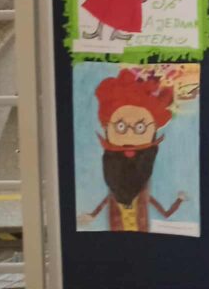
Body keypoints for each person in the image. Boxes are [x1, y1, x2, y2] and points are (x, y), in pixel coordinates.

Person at [78, 69, 186, 232]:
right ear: (108, 128)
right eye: (121, 126)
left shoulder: (140, 184)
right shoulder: (116, 181)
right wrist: (92, 215)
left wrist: (178, 201)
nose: (129, 134)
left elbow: (165, 213)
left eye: (140, 127)